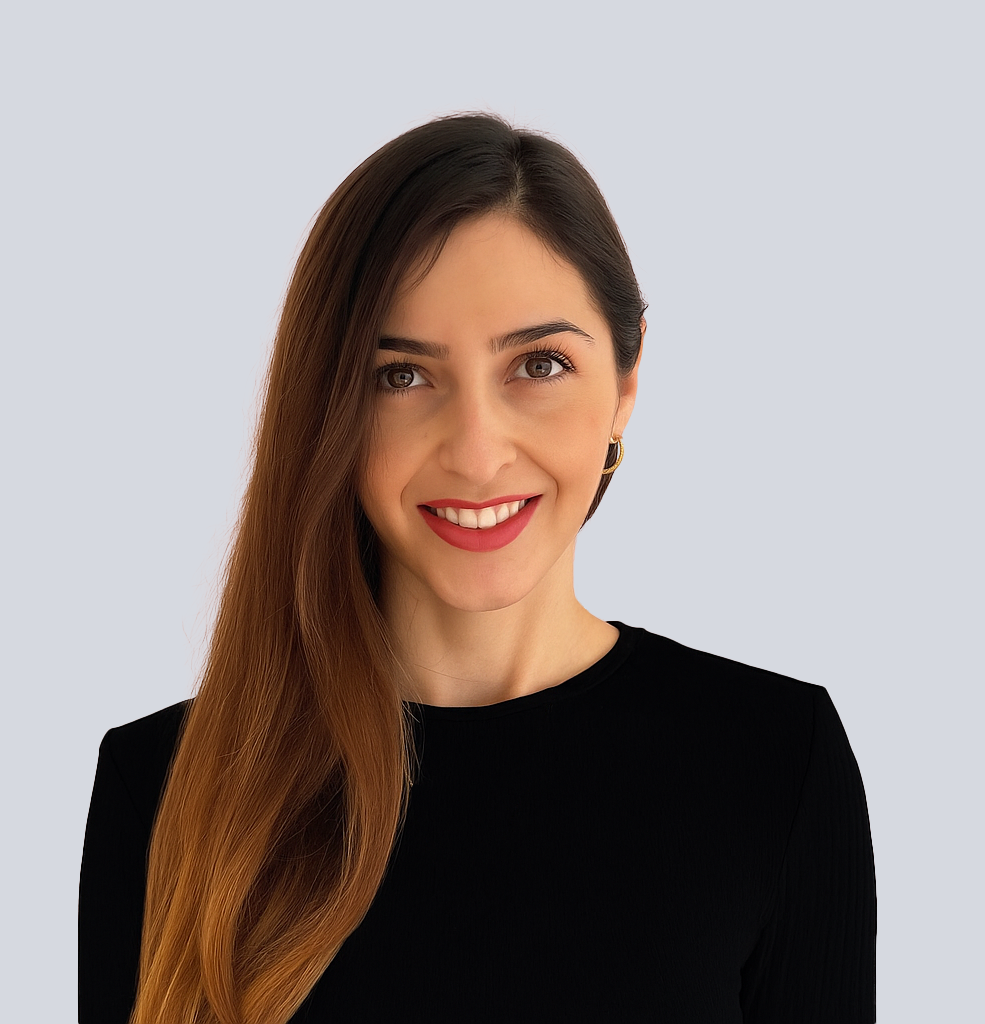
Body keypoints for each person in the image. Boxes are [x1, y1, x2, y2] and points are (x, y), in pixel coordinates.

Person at [78, 112, 877, 1024]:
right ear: (329, 406)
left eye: (538, 364)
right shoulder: (168, 786)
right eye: (402, 376)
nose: (476, 452)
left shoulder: (775, 761)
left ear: (625, 380)